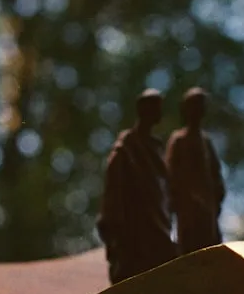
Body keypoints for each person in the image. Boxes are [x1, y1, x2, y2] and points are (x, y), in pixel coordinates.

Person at [96, 89, 178, 283]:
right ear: (143, 110)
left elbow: (163, 190)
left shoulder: (156, 148)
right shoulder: (126, 150)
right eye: (155, 108)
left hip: (159, 229)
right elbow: (113, 195)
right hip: (136, 235)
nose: (159, 113)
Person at [166, 87, 226, 254]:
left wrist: (217, 196)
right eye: (195, 105)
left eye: (201, 105)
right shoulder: (178, 140)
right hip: (188, 210)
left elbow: (215, 173)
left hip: (208, 209)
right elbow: (170, 175)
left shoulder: (206, 141)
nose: (199, 110)